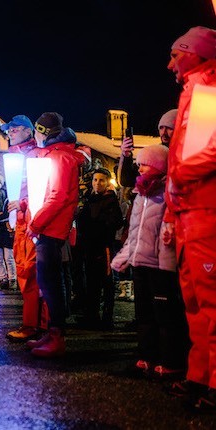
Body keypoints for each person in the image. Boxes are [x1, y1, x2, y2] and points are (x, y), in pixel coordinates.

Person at [161, 26, 216, 410]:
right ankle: (200, 375)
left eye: (176, 55)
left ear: (195, 55)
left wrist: (179, 174)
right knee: (195, 301)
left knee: (211, 301)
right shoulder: (196, 90)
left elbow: (206, 152)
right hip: (189, 212)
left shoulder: (209, 89)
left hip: (206, 211)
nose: (169, 64)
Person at [111, 145, 189, 379]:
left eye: (145, 163)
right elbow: (135, 232)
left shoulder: (168, 192)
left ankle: (170, 362)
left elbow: (172, 225)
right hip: (141, 263)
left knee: (165, 316)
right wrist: (124, 258)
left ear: (158, 165)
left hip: (161, 267)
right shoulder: (141, 194)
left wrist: (168, 253)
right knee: (144, 314)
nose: (140, 166)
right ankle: (146, 358)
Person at [25, 112, 88, 358]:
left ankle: (57, 336)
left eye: (37, 132)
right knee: (47, 281)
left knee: (50, 282)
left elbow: (59, 196)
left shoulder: (60, 157)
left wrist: (36, 223)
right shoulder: (54, 154)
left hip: (51, 229)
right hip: (48, 226)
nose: (35, 136)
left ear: (46, 133)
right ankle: (52, 333)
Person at [2, 115, 47, 342]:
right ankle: (36, 325)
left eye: (14, 129)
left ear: (29, 132)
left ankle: (36, 326)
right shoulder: (16, 157)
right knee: (25, 272)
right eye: (8, 130)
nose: (10, 133)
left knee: (31, 274)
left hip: (32, 222)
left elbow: (40, 190)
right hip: (21, 222)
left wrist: (22, 205)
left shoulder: (35, 156)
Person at [76, 168, 123, 330]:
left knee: (106, 283)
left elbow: (114, 223)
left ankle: (107, 318)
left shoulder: (111, 200)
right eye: (95, 180)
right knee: (92, 282)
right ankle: (92, 316)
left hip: (104, 248)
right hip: (89, 247)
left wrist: (95, 227)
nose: (97, 183)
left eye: (101, 180)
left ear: (107, 183)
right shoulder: (90, 199)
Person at [117, 109, 177, 187]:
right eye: (161, 128)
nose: (164, 132)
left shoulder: (187, 156)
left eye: (169, 128)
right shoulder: (155, 153)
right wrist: (126, 155)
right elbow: (127, 181)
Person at [0, 175, 17, 291]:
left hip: (5, 228)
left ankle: (12, 279)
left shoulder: (7, 198)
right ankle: (4, 279)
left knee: (8, 257)